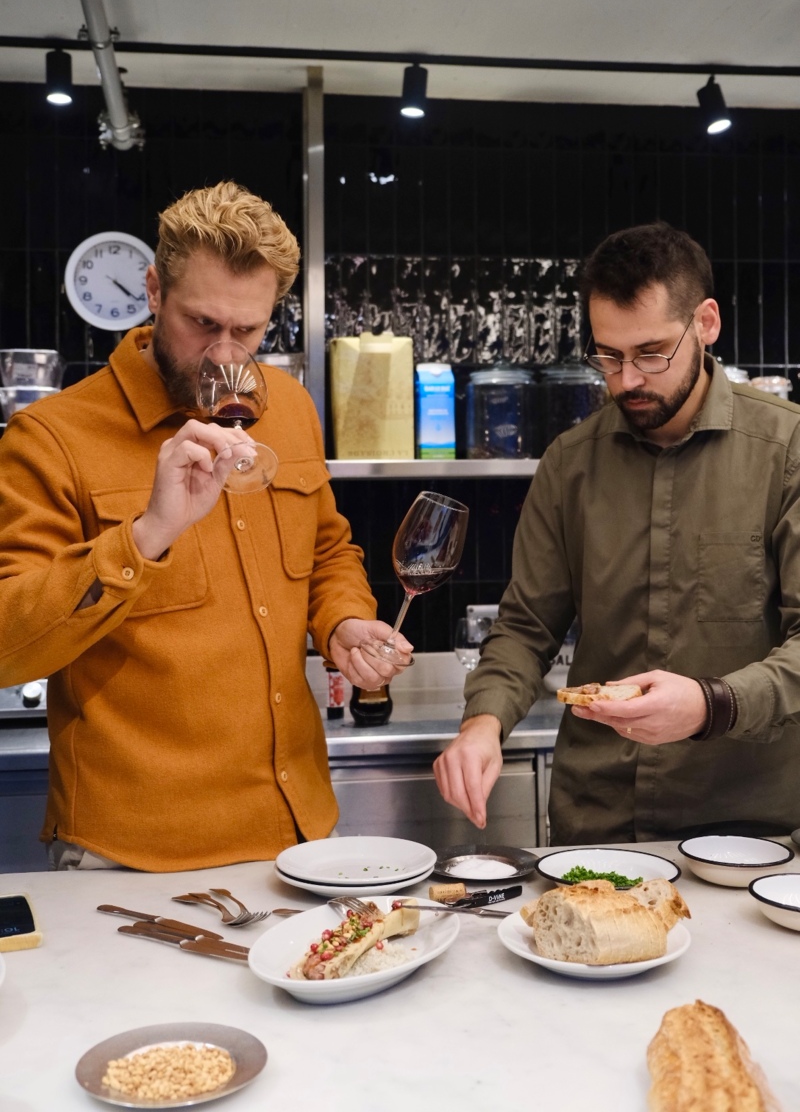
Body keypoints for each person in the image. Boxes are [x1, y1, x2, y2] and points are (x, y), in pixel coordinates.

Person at [0, 181, 410, 871]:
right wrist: (147, 534)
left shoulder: (291, 407)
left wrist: (342, 622)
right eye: (202, 324)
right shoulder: (52, 437)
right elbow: (11, 647)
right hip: (134, 856)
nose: (225, 354)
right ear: (155, 291)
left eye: (248, 330)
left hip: (300, 833)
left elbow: (329, 548)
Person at [434, 221, 800, 844]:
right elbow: (526, 628)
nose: (626, 379)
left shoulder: (786, 449)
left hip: (746, 828)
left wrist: (712, 703)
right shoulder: (570, 462)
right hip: (596, 823)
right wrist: (482, 723)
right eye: (607, 355)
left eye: (651, 353)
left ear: (706, 324)